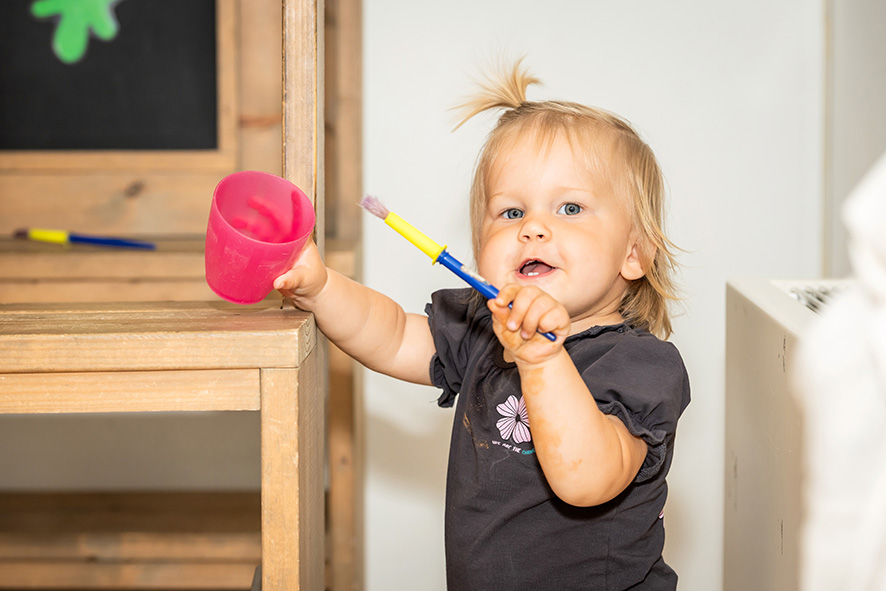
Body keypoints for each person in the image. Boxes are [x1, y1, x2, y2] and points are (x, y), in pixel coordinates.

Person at [274, 60, 690, 591]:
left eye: (569, 208)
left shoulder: (639, 366)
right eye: (511, 213)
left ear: (634, 254)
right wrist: (322, 287)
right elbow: (395, 336)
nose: (534, 228)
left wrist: (541, 359)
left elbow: (587, 481)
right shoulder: (483, 328)